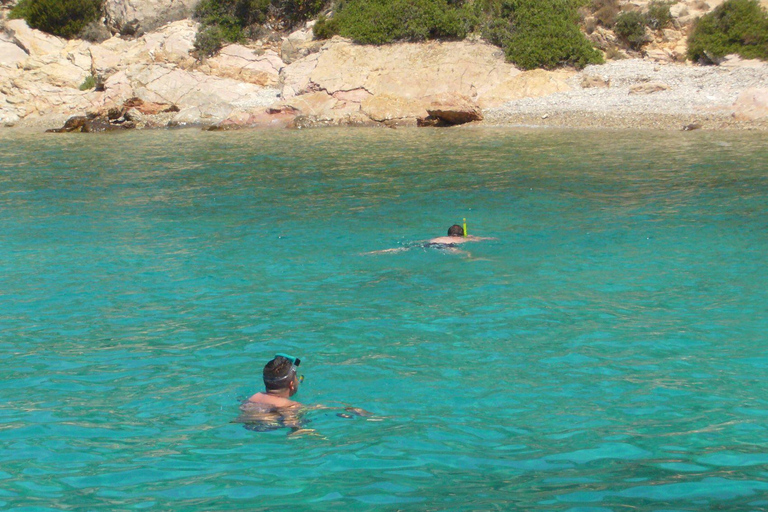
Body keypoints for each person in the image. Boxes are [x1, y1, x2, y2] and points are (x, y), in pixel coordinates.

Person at [234, 354, 371, 434]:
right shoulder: (291, 405)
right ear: (292, 385)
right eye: (299, 379)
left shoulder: (254, 396)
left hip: (245, 424)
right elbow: (295, 419)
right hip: (269, 427)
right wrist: (346, 408)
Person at [366, 224, 494, 255]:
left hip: (430, 243)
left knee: (403, 249)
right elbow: (482, 239)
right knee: (467, 255)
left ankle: (378, 251)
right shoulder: (464, 239)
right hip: (447, 247)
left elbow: (421, 241)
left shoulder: (439, 237)